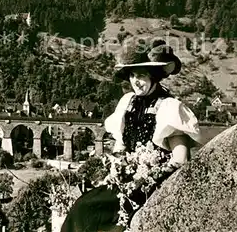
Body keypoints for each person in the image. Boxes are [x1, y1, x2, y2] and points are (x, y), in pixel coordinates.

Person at [61, 38, 202, 232]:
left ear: (154, 77)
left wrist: (150, 175)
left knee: (107, 218)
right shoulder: (127, 103)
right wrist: (117, 169)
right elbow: (121, 148)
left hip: (152, 184)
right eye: (133, 75)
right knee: (83, 206)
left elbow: (180, 158)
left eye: (142, 75)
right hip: (127, 180)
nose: (135, 81)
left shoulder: (169, 107)